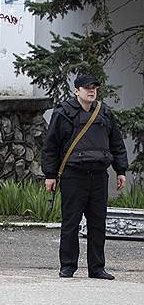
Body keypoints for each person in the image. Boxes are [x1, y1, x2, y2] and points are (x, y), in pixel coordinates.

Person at [43, 74, 128, 280]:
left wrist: (121, 170)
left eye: (94, 88)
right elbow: (51, 145)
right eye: (87, 87)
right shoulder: (63, 113)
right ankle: (68, 266)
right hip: (73, 175)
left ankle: (97, 268)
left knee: (98, 223)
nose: (92, 91)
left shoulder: (105, 113)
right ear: (76, 91)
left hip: (99, 175)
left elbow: (116, 143)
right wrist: (50, 175)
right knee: (71, 222)